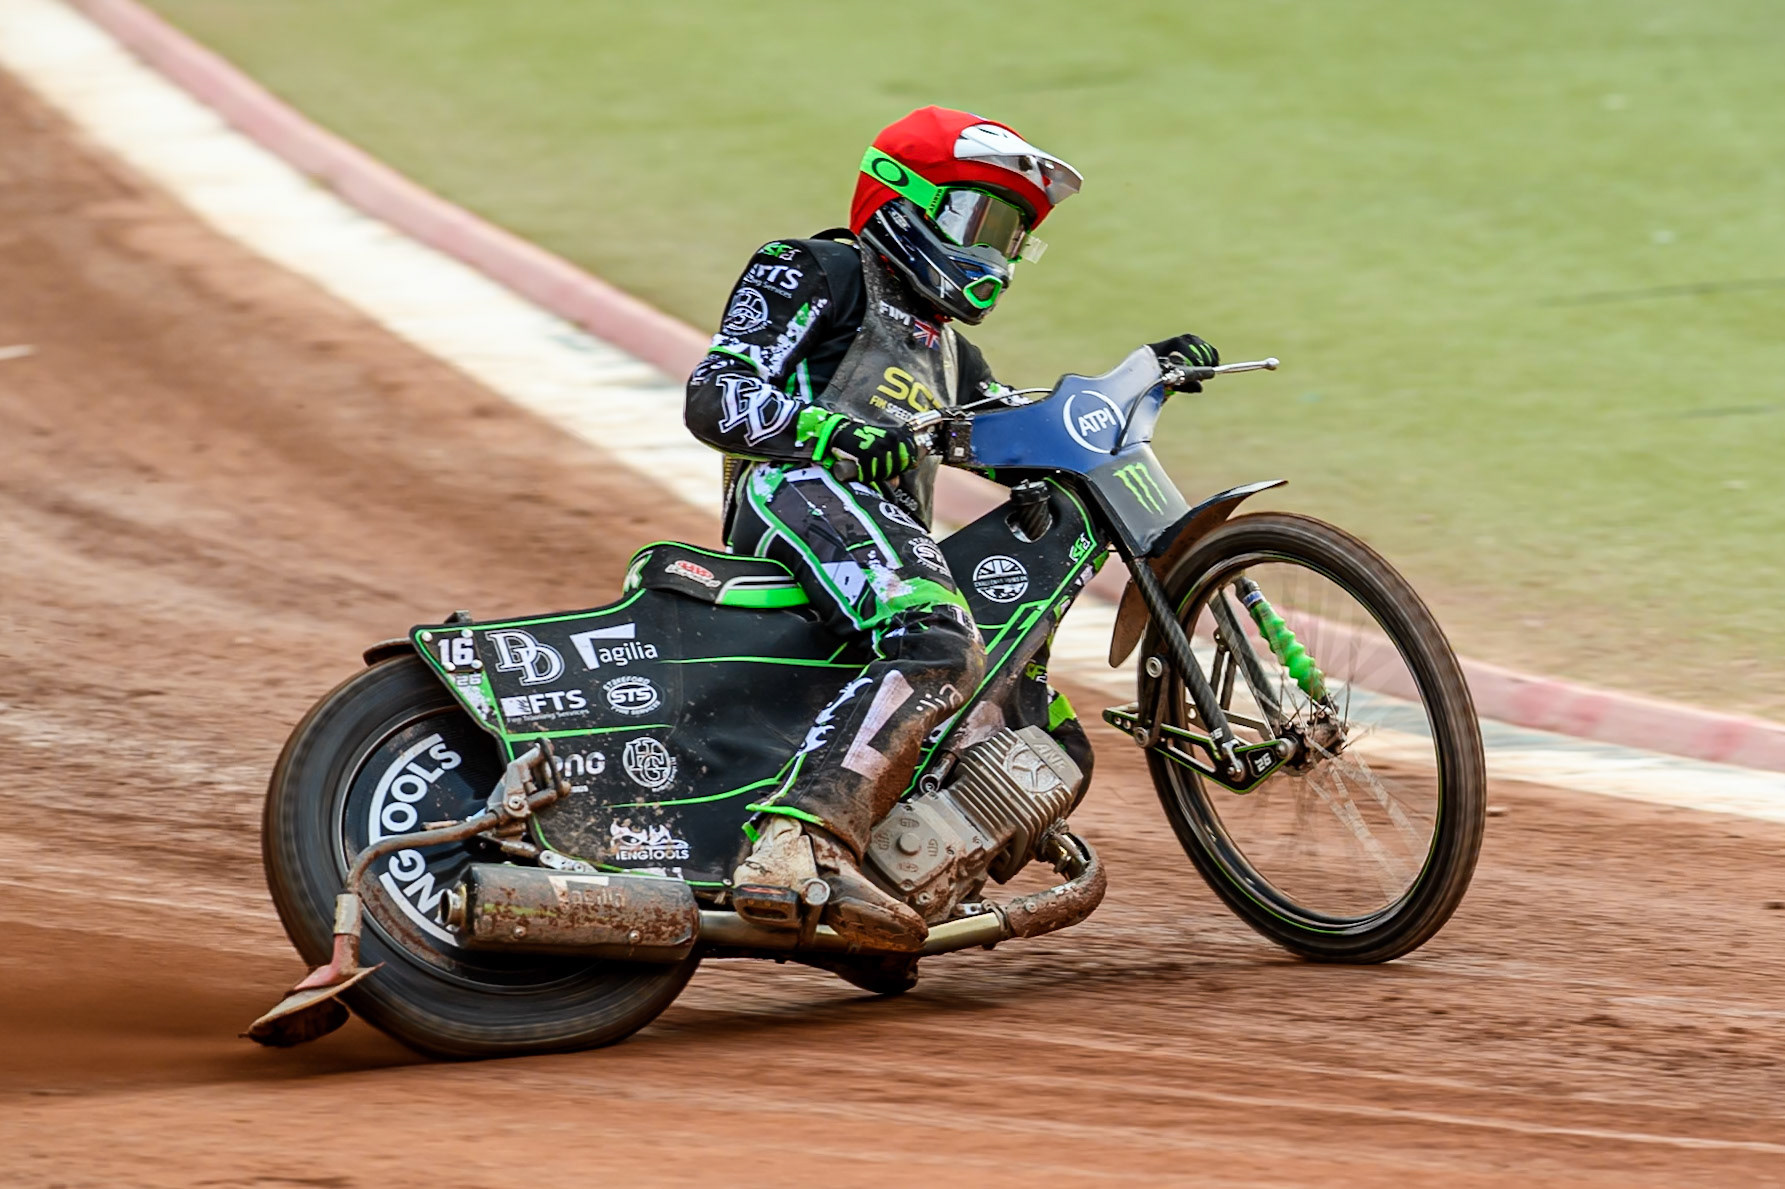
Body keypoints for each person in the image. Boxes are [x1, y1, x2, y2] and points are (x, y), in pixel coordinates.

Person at [684, 105, 1218, 950]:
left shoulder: (951, 353)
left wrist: (1141, 379)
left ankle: (893, 890)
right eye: (980, 221)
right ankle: (795, 842)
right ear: (902, 198)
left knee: (1045, 733)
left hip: (887, 540)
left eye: (1010, 238)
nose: (992, 253)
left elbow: (1021, 436)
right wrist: (832, 432)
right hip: (794, 493)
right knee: (937, 638)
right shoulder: (815, 267)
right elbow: (715, 393)